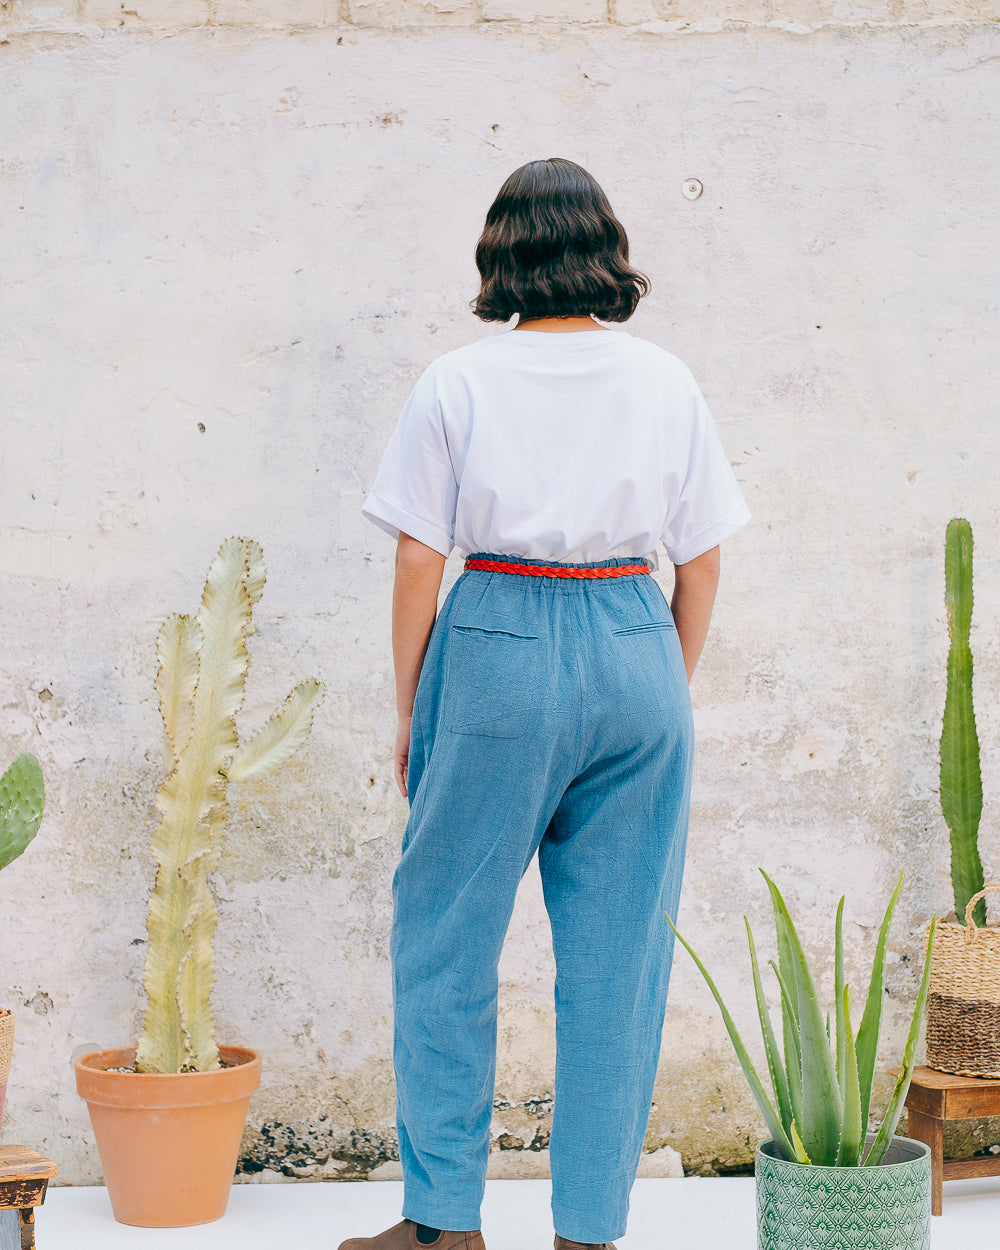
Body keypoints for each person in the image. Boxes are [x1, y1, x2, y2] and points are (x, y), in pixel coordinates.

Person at [347, 157, 750, 1250]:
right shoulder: (667, 379)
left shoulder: (457, 381)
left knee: (443, 937)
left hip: (497, 645)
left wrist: (409, 710)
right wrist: (658, 679)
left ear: (502, 254)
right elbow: (702, 563)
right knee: (619, 962)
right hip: (634, 636)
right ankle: (587, 1231)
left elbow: (417, 562)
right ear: (605, 252)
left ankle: (441, 1224)